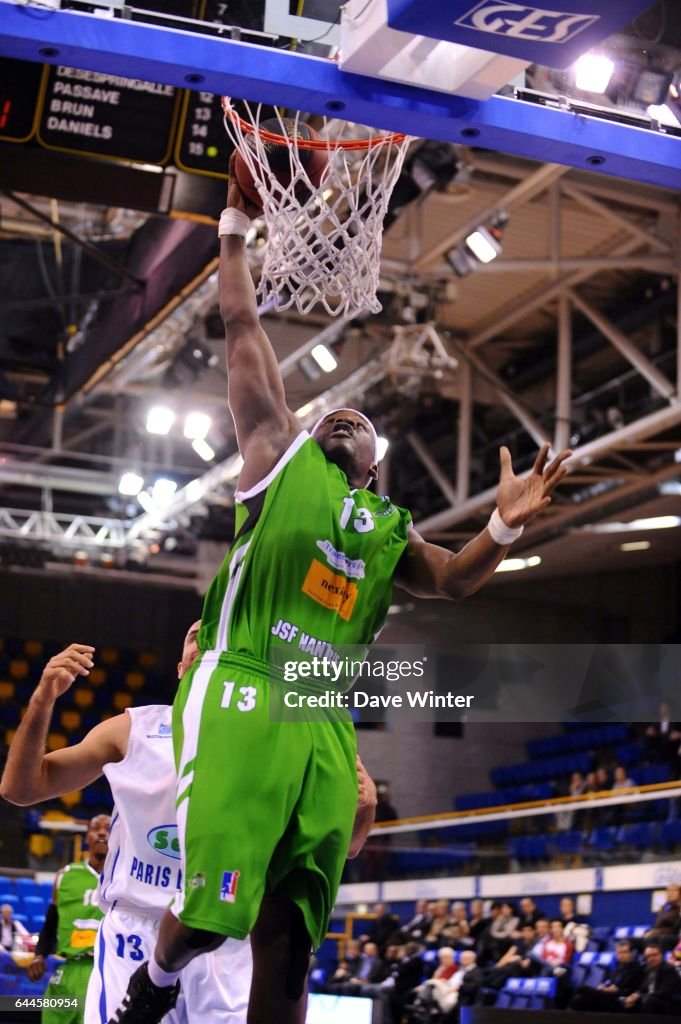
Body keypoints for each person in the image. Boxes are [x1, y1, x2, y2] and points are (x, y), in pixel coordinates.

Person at [105, 163, 572, 1024]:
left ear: (376, 465)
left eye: (359, 424)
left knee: (291, 931)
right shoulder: (275, 456)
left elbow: (459, 580)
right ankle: (155, 981)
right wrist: (235, 231)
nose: (341, 418)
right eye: (333, 414)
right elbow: (242, 324)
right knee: (213, 915)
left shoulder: (388, 532)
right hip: (246, 682)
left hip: (318, 714)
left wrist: (503, 526)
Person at [0, 632, 376, 1024]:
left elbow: (346, 847)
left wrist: (365, 806)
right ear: (181, 668)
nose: (206, 642)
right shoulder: (134, 730)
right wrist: (43, 699)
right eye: (196, 636)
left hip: (226, 938)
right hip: (138, 931)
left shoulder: (281, 740)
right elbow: (20, 789)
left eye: (218, 635)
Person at [27, 815, 110, 1024]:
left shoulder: (125, 878)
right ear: (87, 838)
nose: (101, 833)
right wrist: (40, 956)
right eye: (95, 828)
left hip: (105, 970)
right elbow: (52, 920)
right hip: (68, 970)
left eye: (108, 829)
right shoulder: (65, 876)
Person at [569, 939, 644, 1013]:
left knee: (582, 989)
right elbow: (608, 982)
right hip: (608, 995)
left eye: (624, 952)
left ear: (631, 953)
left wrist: (618, 990)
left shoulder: (637, 969)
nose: (621, 955)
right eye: (619, 953)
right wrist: (604, 987)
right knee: (579, 1000)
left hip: (619, 998)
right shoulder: (617, 968)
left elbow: (635, 989)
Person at [622, 942, 681, 1014]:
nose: (651, 958)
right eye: (648, 956)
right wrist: (633, 996)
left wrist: (639, 997)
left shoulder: (668, 969)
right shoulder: (648, 970)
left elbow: (663, 993)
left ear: (661, 955)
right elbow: (642, 989)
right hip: (653, 1000)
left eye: (654, 955)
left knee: (648, 1001)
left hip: (670, 1003)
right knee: (627, 1002)